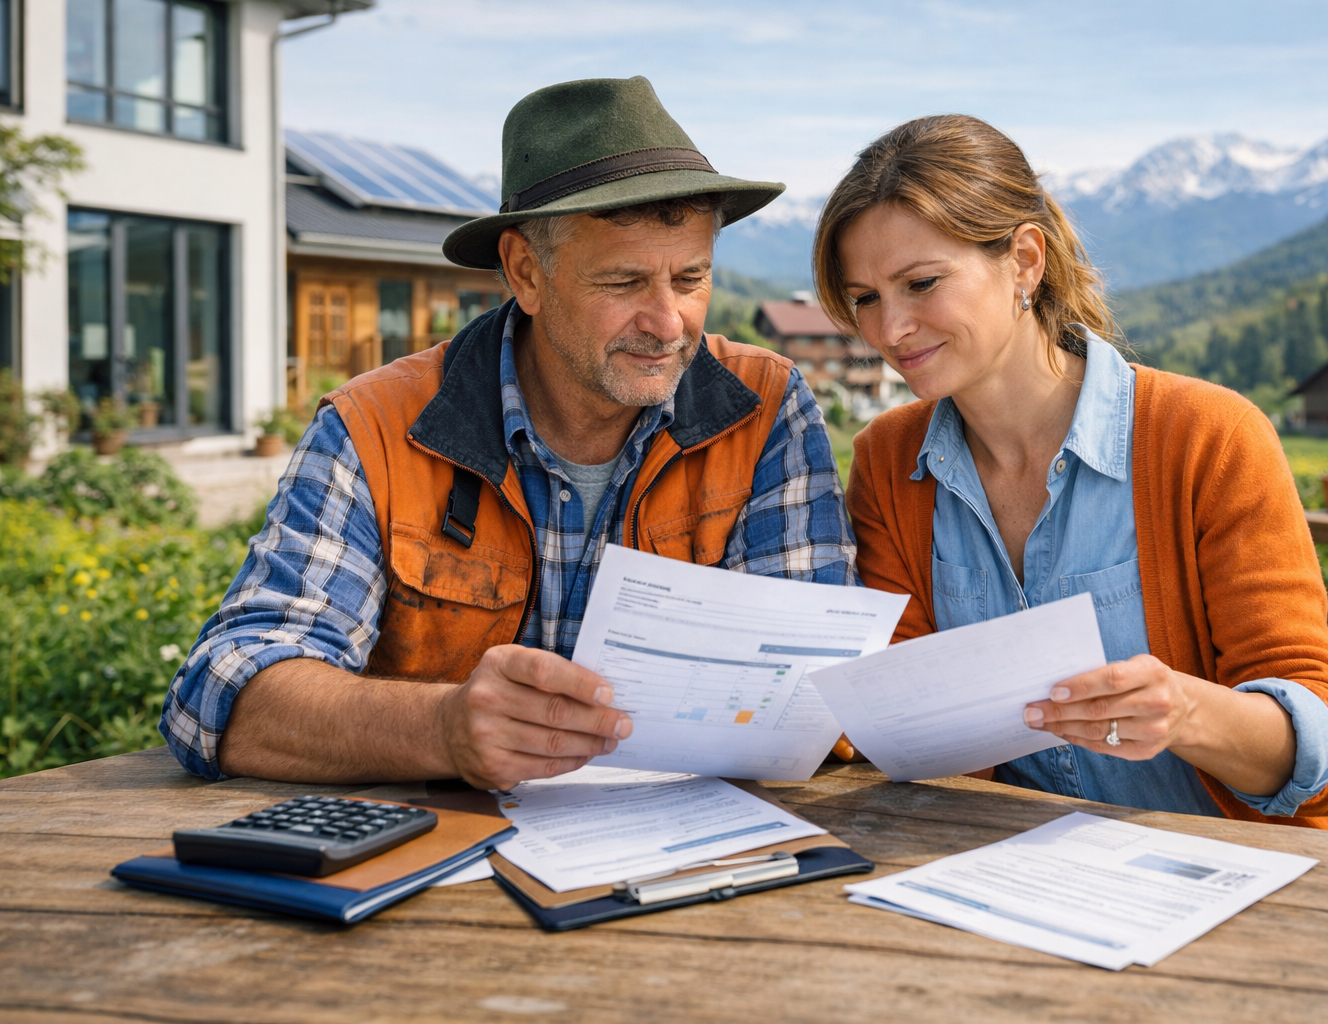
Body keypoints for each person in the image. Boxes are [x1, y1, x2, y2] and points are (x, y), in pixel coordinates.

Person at [160, 77, 856, 789]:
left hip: (695, 838)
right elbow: (219, 698)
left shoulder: (765, 408)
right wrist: (440, 729)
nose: (667, 321)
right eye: (622, 282)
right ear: (526, 272)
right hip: (436, 846)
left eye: (690, 278)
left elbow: (814, 692)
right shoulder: (375, 427)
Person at [821, 114, 1328, 832]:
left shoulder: (1209, 437)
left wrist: (1186, 712)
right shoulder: (888, 460)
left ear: (1024, 261)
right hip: (1008, 862)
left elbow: (1325, 753)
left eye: (921, 283)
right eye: (865, 298)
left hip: (1245, 865)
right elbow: (914, 735)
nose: (889, 330)